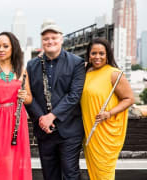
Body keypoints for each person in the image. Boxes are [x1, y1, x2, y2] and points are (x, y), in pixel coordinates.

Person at [25, 20, 86, 179]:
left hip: (69, 130)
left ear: (61, 39)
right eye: (46, 39)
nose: (50, 41)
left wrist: (52, 116)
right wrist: (42, 119)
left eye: (54, 37)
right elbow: (30, 97)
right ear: (42, 41)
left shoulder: (76, 63)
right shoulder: (31, 65)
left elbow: (74, 95)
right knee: (49, 175)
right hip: (44, 130)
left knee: (70, 174)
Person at [81, 38, 134, 179]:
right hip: (90, 131)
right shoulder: (86, 71)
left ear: (107, 55)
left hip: (105, 130)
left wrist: (109, 113)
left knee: (104, 173)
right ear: (89, 55)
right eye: (93, 53)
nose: (97, 57)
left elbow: (129, 99)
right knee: (94, 172)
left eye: (101, 53)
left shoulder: (114, 73)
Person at [0, 31, 32, 180]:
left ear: (13, 48)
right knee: (1, 162)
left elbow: (29, 99)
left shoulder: (22, 71)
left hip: (17, 121)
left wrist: (24, 96)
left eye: (5, 46)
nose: (1, 50)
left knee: (17, 162)